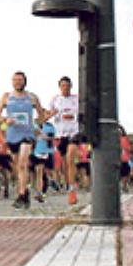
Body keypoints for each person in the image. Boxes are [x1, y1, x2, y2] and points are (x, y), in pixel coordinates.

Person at [0, 71, 46, 210]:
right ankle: (24, 192)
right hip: (12, 135)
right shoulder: (7, 97)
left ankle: (21, 194)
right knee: (18, 167)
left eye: (20, 80)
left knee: (23, 163)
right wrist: (6, 119)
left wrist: (37, 126)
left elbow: (41, 116)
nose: (18, 82)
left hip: (27, 135)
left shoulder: (32, 97)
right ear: (12, 82)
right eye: (15, 80)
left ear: (25, 81)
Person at [46, 76, 83, 205]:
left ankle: (72, 189)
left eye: (67, 86)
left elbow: (82, 113)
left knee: (70, 158)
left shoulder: (76, 99)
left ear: (71, 86)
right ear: (60, 87)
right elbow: (48, 114)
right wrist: (49, 115)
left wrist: (75, 116)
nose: (65, 88)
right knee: (64, 165)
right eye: (63, 86)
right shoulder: (55, 100)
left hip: (74, 132)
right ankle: (70, 184)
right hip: (61, 134)